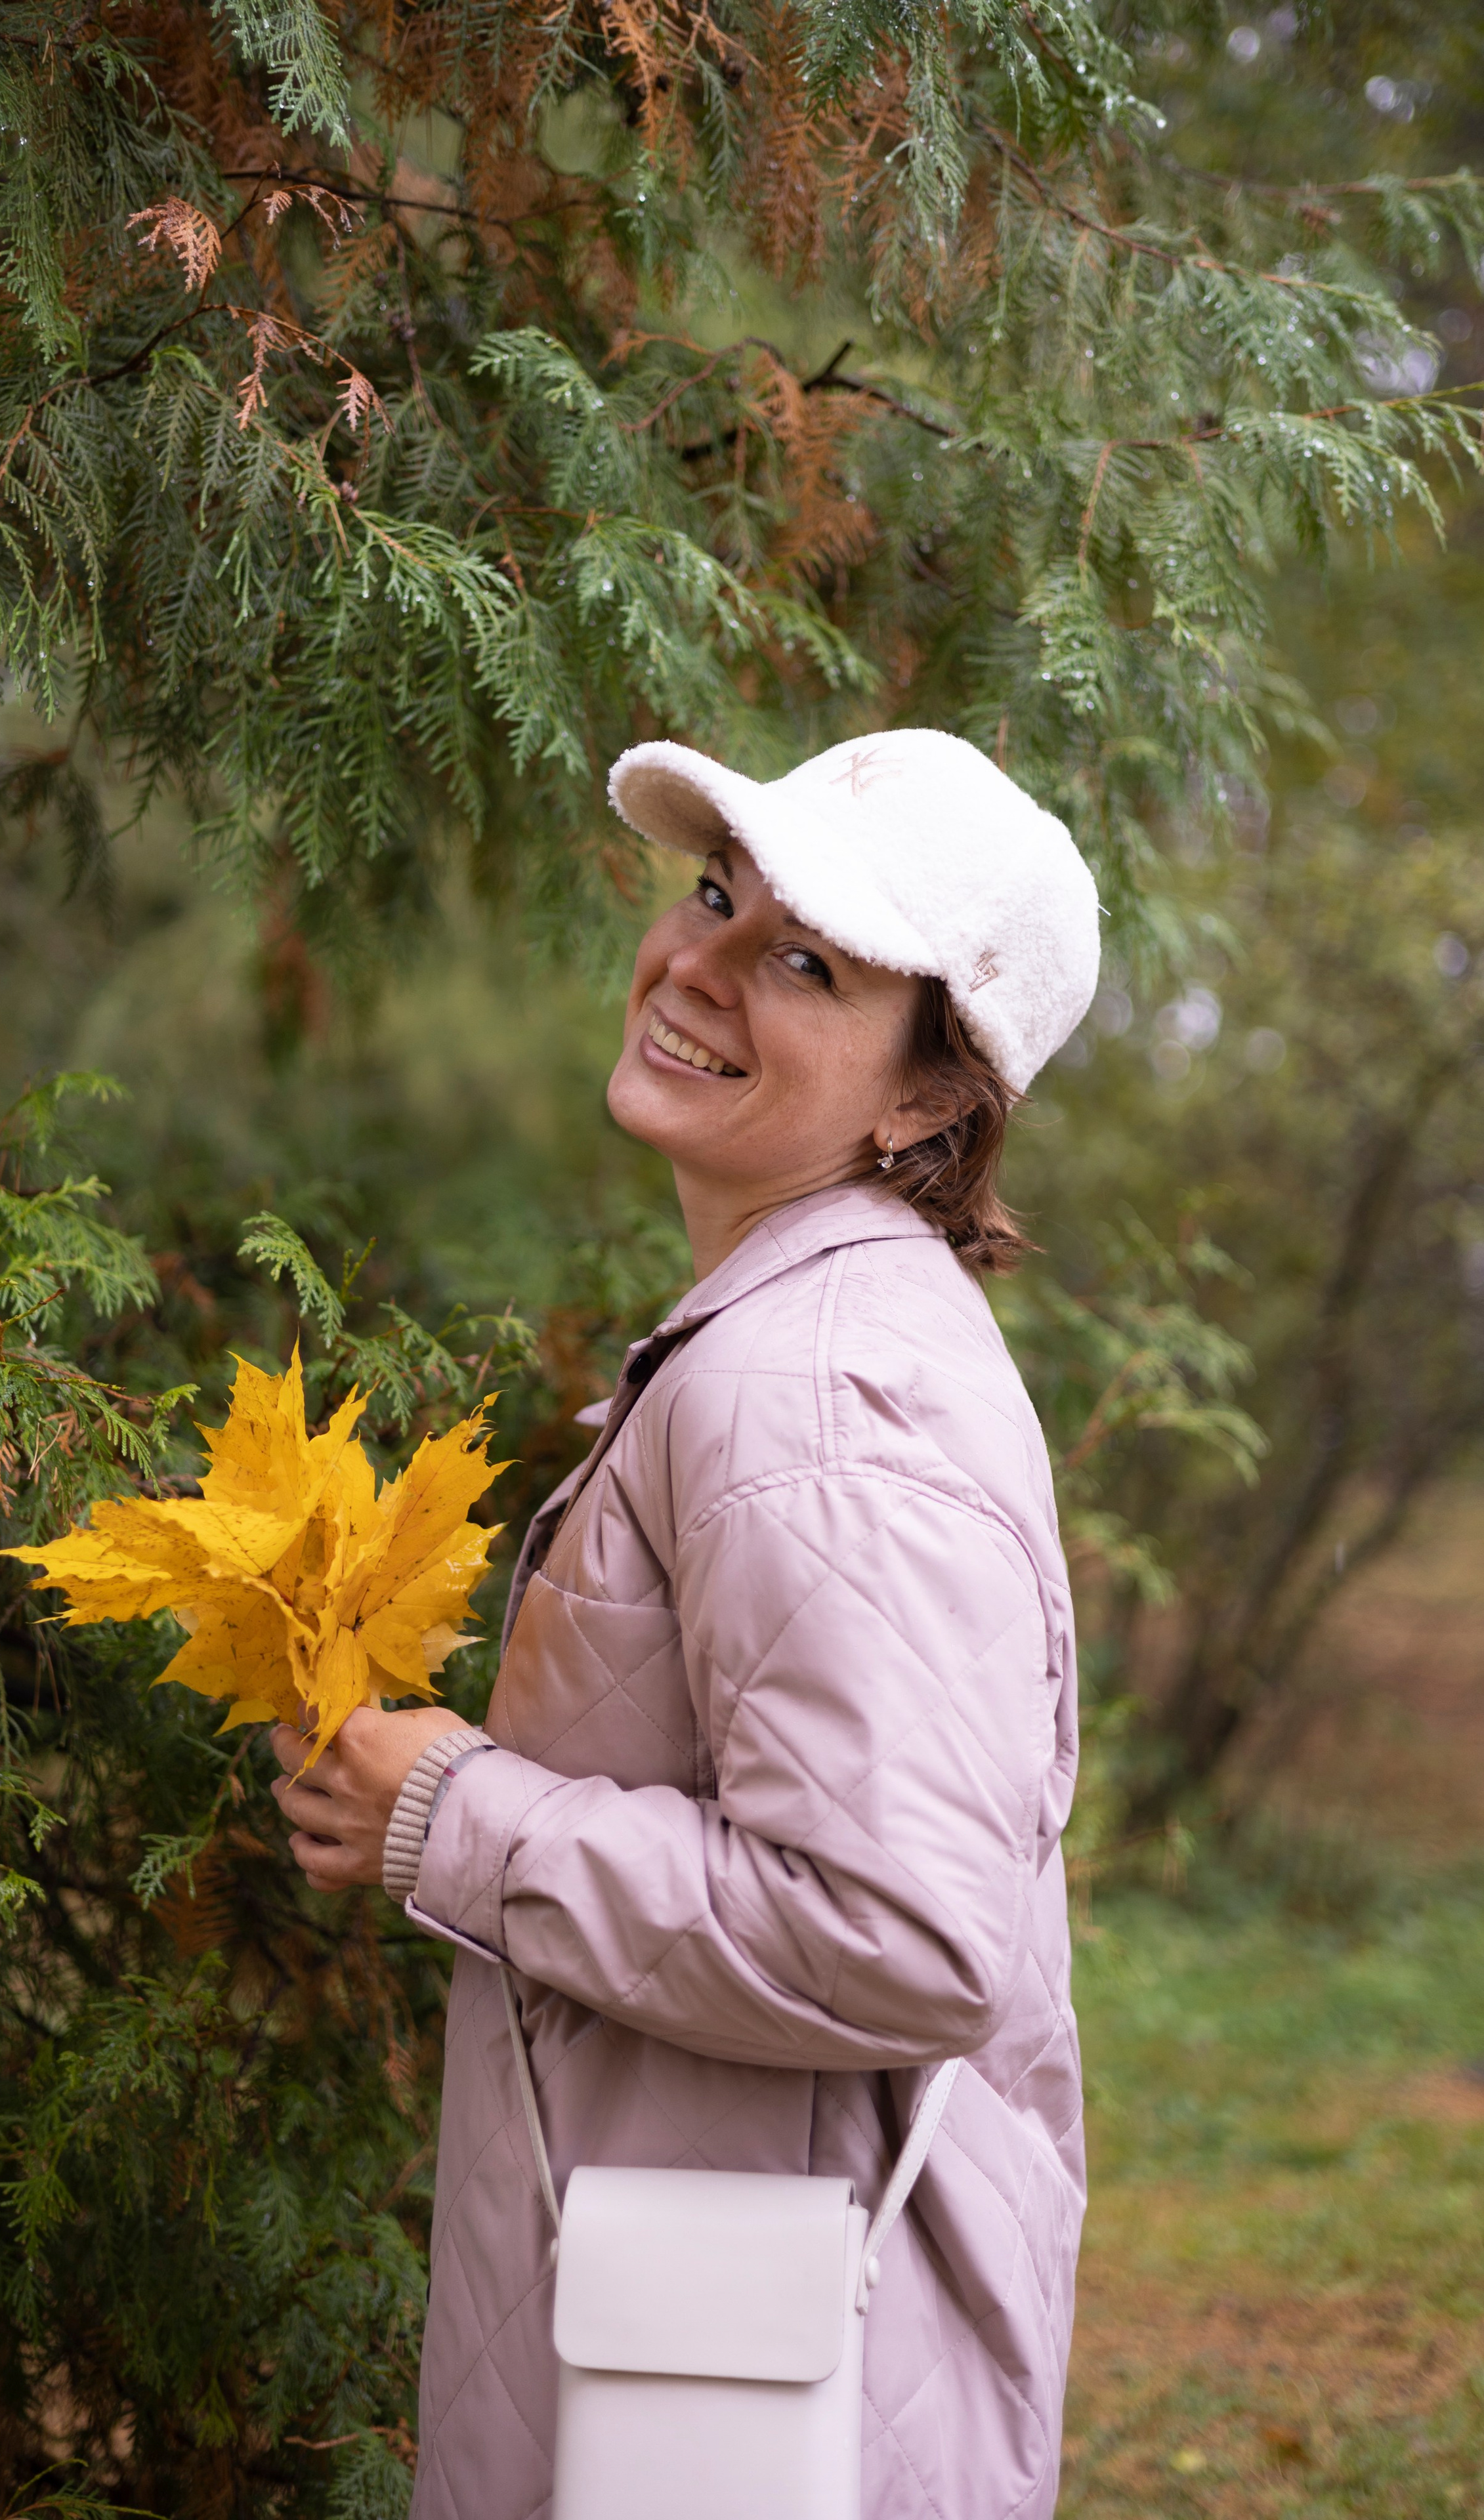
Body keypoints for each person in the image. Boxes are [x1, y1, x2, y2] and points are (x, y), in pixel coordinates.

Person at [270, 728, 1101, 2520]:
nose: (701, 966)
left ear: (928, 1102)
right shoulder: (797, 1332)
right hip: (713, 2331)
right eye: (716, 895)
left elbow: (898, 1933)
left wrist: (450, 1816)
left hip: (761, 2391)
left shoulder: (815, 1398)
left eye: (807, 961)